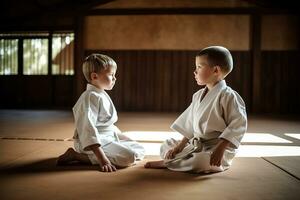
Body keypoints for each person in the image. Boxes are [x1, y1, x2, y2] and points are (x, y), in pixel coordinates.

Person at [144, 46, 247, 173]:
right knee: (167, 144)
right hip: (197, 144)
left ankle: (168, 163)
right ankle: (176, 160)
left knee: (201, 162)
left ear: (215, 70)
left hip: (217, 148)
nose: (195, 71)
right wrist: (179, 146)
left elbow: (237, 125)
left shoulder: (229, 96)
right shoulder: (197, 95)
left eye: (199, 67)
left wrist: (220, 149)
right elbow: (189, 124)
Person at [57, 54, 145, 172]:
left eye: (115, 75)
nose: (115, 78)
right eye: (111, 75)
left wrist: (124, 137)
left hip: (108, 137)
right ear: (94, 76)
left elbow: (108, 125)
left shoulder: (101, 94)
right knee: (128, 158)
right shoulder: (89, 97)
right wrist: (102, 159)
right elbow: (87, 129)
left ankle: (110, 154)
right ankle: (77, 156)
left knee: (140, 149)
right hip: (91, 142)